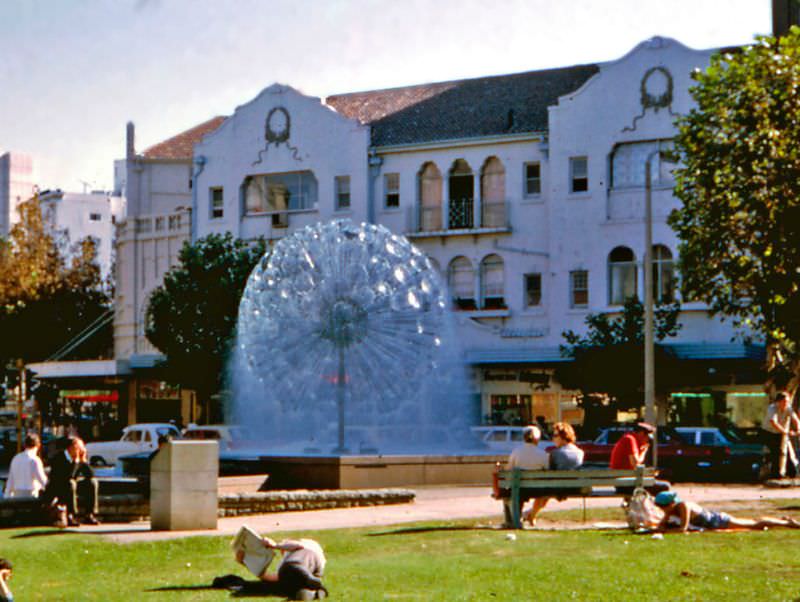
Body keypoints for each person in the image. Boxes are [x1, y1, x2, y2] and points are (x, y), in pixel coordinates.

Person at [215, 536, 329, 600]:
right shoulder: (284, 564)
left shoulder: (305, 546)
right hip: (299, 575)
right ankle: (310, 593)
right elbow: (271, 578)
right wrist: (245, 563)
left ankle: (311, 581)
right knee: (284, 577)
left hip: (309, 562)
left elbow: (299, 546)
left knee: (290, 566)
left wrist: (275, 545)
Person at [526, 422, 585, 526]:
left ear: (563, 437)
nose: (553, 439)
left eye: (555, 436)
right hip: (576, 487)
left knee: (543, 491)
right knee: (546, 491)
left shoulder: (555, 453)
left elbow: (550, 472)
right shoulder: (580, 452)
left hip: (559, 487)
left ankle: (531, 514)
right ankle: (530, 514)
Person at [653, 491, 800, 532]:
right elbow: (661, 525)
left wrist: (664, 531)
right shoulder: (671, 509)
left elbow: (682, 529)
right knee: (753, 522)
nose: (663, 511)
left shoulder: (684, 506)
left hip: (718, 521)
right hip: (714, 521)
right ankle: (783, 521)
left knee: (755, 525)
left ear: (670, 504)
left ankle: (788, 523)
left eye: (663, 507)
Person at [41, 437, 100, 526]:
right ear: (71, 448)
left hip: (71, 486)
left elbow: (90, 474)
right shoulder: (59, 458)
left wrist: (83, 460)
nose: (80, 450)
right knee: (70, 483)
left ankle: (89, 514)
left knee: (92, 482)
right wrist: (75, 462)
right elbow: (65, 477)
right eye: (78, 448)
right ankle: (71, 515)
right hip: (58, 487)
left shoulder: (78, 458)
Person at [501, 425, 548, 527]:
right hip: (538, 489)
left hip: (520, 488)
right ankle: (529, 515)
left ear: (524, 437)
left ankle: (513, 519)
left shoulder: (516, 452)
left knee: (509, 490)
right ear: (538, 439)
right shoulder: (542, 454)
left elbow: (508, 469)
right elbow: (547, 470)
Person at [761, 391, 800, 479]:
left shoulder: (788, 408)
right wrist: (785, 431)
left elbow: (795, 419)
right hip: (768, 432)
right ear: (778, 401)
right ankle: (775, 474)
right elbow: (773, 422)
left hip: (779, 432)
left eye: (787, 401)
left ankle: (791, 473)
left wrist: (798, 429)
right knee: (776, 452)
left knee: (787, 451)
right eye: (784, 401)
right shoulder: (772, 408)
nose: (786, 403)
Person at [3, 433, 47, 499]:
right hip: (31, 497)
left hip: (16, 497)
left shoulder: (16, 458)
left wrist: (7, 497)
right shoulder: (35, 460)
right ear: (39, 445)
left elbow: (10, 482)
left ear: (25, 445)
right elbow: (43, 480)